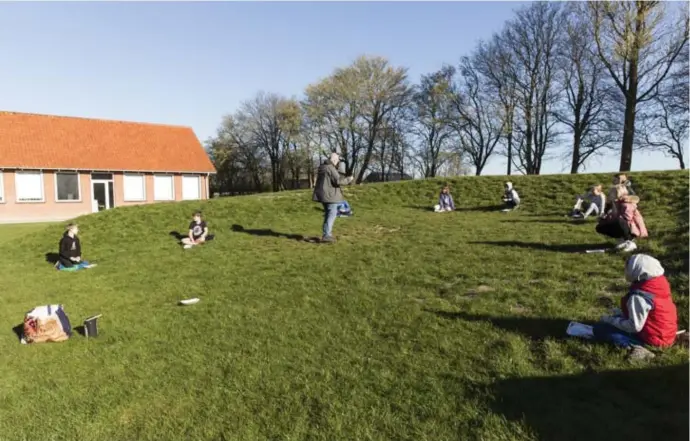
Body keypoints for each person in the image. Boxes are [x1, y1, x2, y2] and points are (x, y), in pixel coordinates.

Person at [593, 254, 678, 360]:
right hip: (666, 333)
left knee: (601, 329)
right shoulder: (659, 284)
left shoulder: (639, 296)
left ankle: (637, 348)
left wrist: (611, 320)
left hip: (654, 339)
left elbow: (634, 326)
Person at [312, 152, 354, 243]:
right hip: (330, 196)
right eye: (338, 160)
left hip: (323, 195)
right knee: (332, 215)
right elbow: (338, 181)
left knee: (328, 214)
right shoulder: (330, 168)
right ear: (334, 160)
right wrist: (349, 179)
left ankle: (326, 234)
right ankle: (327, 235)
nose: (338, 162)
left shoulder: (322, 167)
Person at [595, 184, 647, 252]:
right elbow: (614, 216)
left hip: (632, 229)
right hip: (625, 225)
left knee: (618, 222)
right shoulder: (615, 203)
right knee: (600, 227)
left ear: (618, 193)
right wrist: (604, 219)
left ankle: (630, 242)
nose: (609, 194)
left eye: (612, 193)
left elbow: (627, 218)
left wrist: (611, 219)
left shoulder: (626, 203)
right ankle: (622, 240)